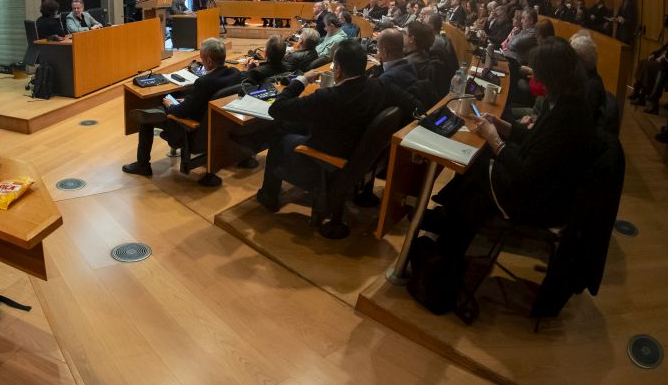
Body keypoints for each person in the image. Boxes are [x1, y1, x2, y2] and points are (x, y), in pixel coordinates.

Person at [425, 38, 595, 312]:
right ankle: (447, 224)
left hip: (538, 201)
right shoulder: (566, 102)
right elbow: (536, 141)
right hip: (540, 184)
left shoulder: (569, 116)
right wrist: (502, 126)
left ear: (551, 76)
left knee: (475, 162)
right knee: (476, 171)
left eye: (538, 72)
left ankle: (447, 249)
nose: (534, 76)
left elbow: (526, 171)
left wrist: (495, 140)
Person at [255, 39, 420, 229]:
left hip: (328, 156)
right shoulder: (381, 86)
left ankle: (268, 195)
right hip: (359, 152)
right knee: (290, 124)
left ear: (338, 69)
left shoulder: (328, 97)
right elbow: (412, 104)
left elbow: (277, 108)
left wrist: (301, 80)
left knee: (278, 134)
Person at [121, 38, 240, 179]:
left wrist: (170, 106)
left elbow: (181, 112)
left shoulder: (204, 82)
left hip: (193, 130)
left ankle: (143, 165)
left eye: (201, 58)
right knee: (179, 98)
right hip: (219, 128)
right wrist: (188, 100)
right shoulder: (235, 73)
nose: (200, 61)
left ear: (208, 61)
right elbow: (204, 99)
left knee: (146, 117)